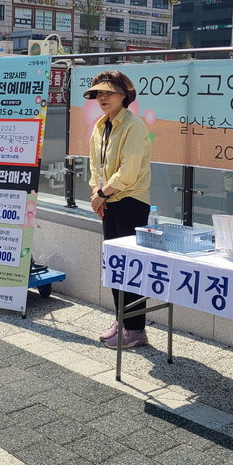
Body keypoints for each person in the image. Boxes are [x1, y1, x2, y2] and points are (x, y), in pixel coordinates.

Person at [86, 71, 152, 350]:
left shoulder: (133, 125)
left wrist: (102, 194)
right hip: (109, 200)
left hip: (131, 202)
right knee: (115, 267)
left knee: (131, 268)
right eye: (98, 93)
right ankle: (122, 321)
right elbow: (95, 165)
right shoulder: (100, 125)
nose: (102, 97)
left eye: (108, 92)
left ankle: (135, 329)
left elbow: (129, 170)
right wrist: (97, 193)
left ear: (124, 95)